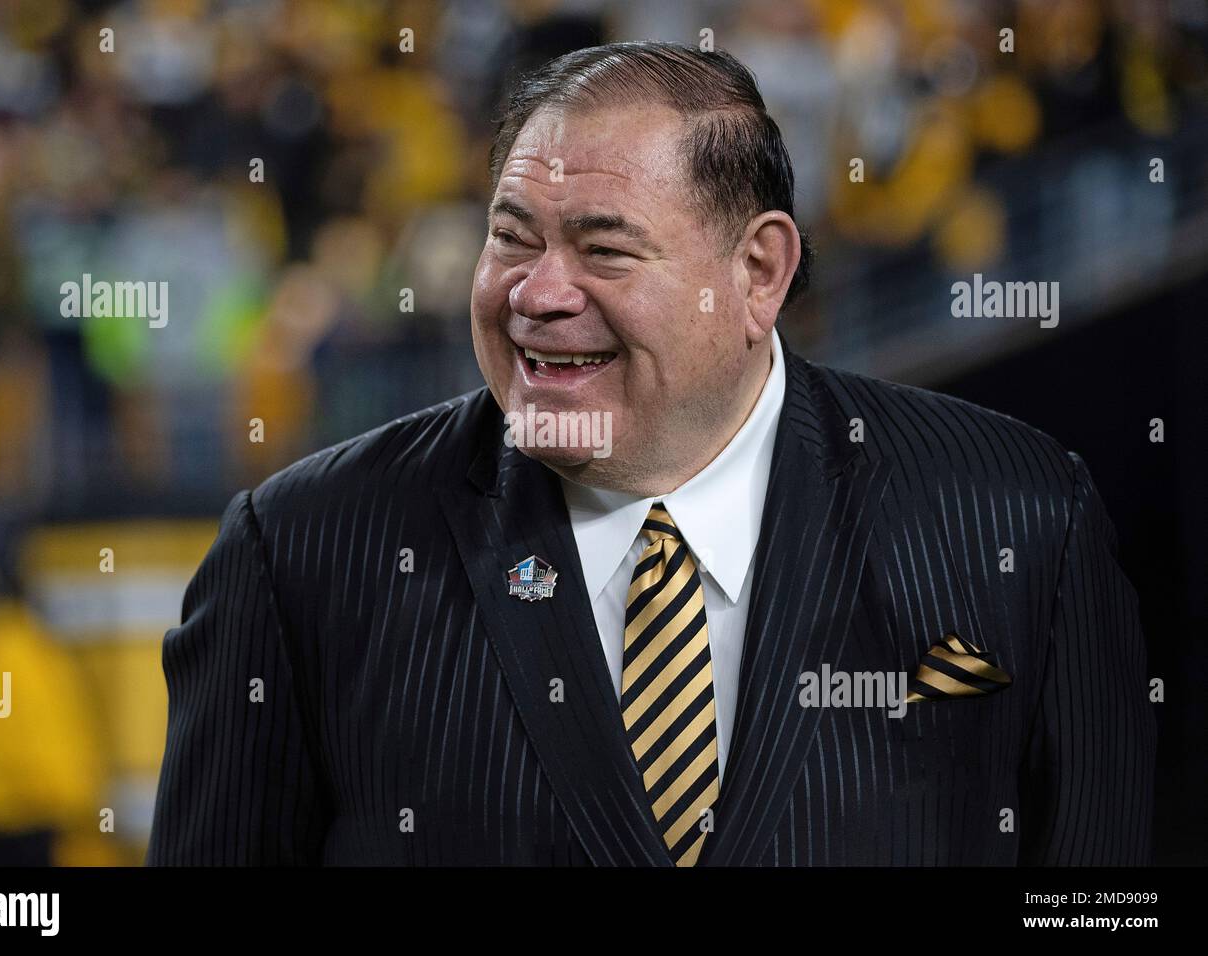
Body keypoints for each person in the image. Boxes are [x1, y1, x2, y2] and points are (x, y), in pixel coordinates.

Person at [147, 41, 1155, 866]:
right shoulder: (302, 551)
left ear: (757, 270)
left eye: (603, 246)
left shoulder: (1017, 521)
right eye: (511, 238)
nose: (535, 292)